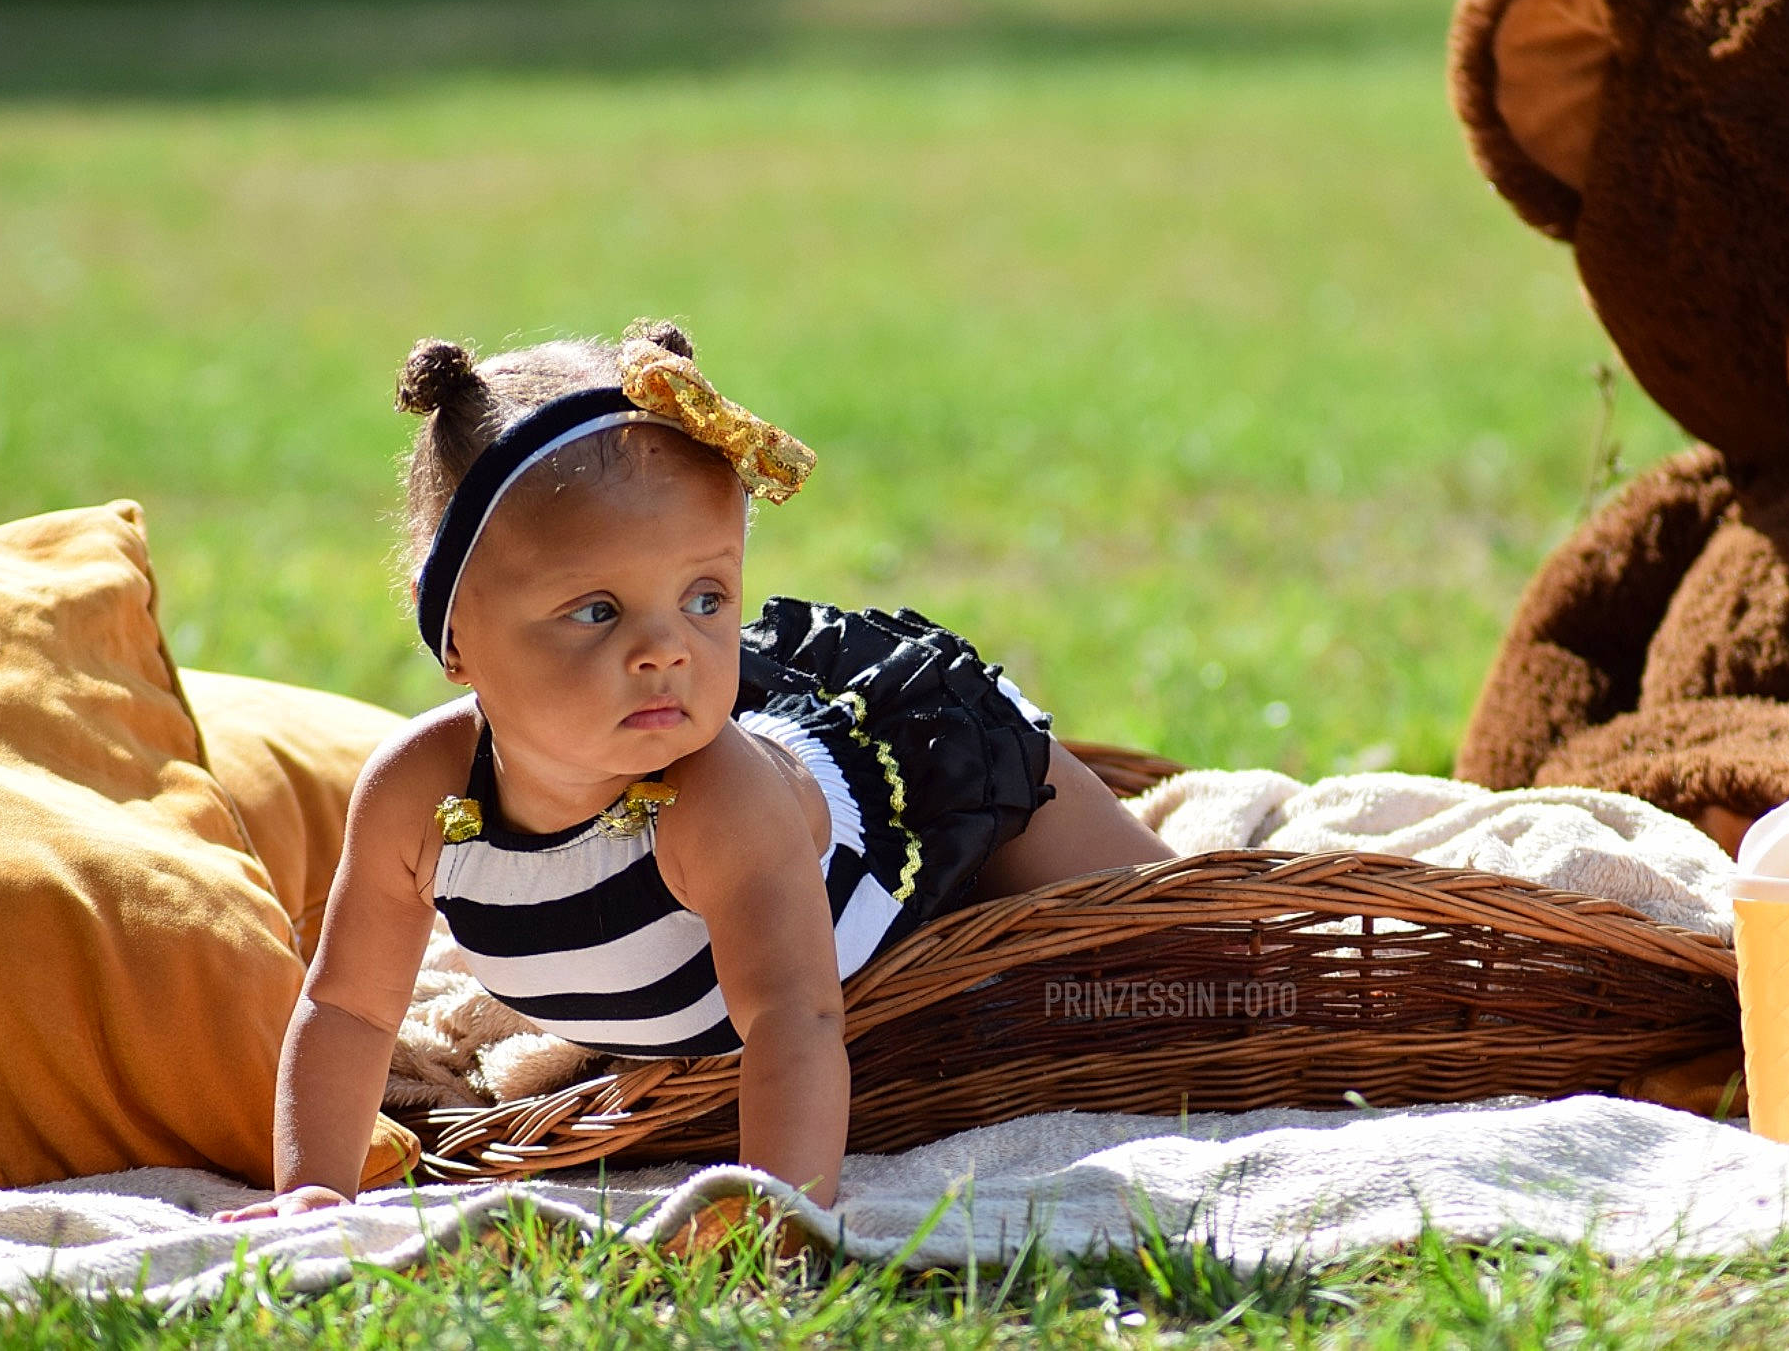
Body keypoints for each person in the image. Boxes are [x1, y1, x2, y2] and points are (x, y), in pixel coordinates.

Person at [217, 320, 1174, 1222]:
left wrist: (773, 1211)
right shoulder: (420, 797)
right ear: (456, 635)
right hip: (770, 913)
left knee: (1163, 934)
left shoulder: (715, 800)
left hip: (922, 788)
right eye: (597, 610)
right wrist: (316, 1191)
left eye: (705, 596)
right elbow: (345, 1006)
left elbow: (793, 1024)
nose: (666, 648)